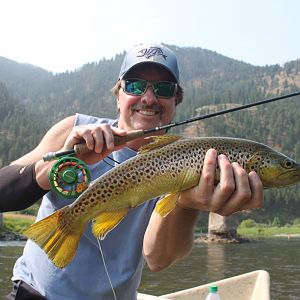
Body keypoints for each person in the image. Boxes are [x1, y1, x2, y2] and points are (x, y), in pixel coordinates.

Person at [0, 43, 263, 300]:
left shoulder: (189, 164)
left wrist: (186, 203)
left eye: (163, 89)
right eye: (136, 86)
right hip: (33, 293)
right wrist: (60, 162)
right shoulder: (74, 129)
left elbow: (158, 259)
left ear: (175, 101)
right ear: (118, 96)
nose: (149, 98)